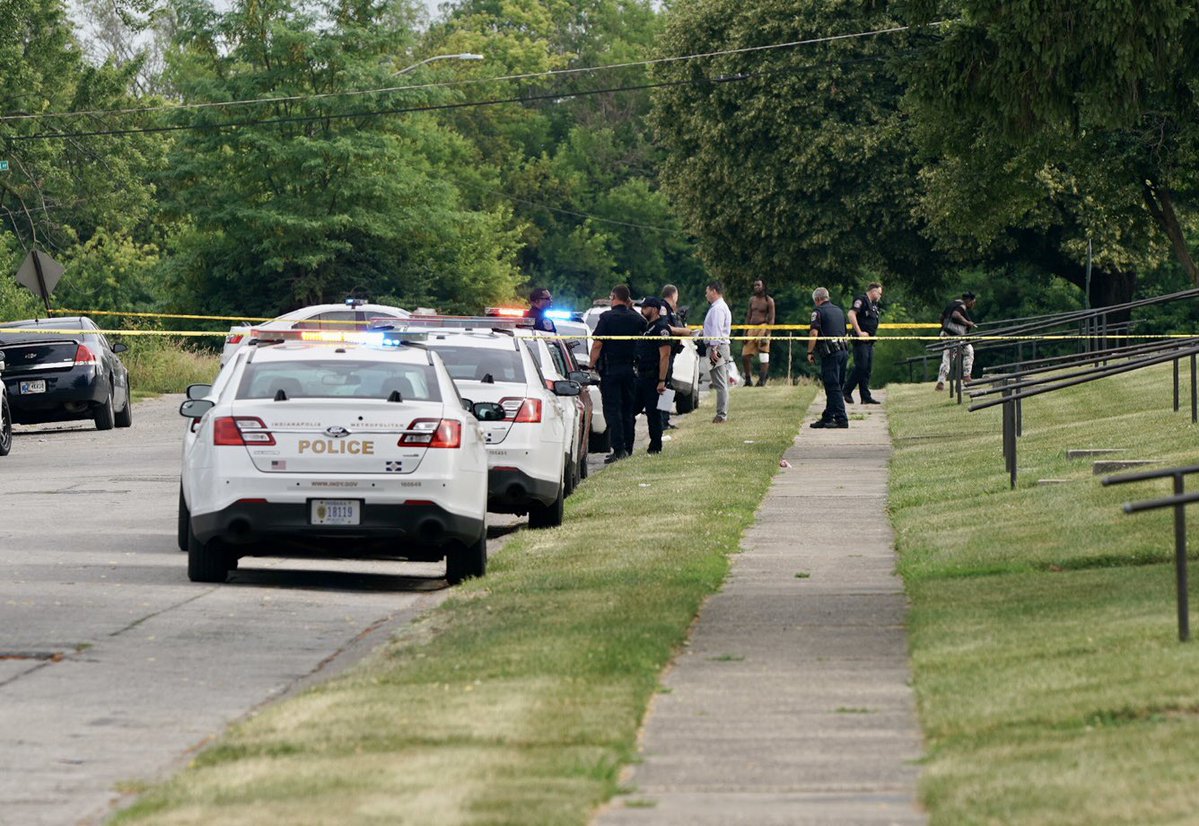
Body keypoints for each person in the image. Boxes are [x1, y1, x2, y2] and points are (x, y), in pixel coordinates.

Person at [589, 284, 646, 462]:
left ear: (614, 297)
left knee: (613, 411)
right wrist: (631, 309)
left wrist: (591, 365)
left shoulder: (606, 317)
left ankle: (619, 449)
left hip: (611, 371)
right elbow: (644, 324)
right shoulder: (635, 319)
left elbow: (598, 344)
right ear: (628, 299)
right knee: (628, 410)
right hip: (630, 370)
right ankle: (628, 447)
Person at [807, 287, 849, 429]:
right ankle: (827, 417)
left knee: (832, 386)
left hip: (830, 353)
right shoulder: (839, 310)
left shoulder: (818, 312)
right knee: (837, 385)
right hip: (843, 351)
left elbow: (814, 333)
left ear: (818, 299)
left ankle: (841, 419)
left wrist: (810, 352)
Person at [635, 297, 674, 454]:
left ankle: (655, 446)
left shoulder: (662, 329)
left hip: (654, 378)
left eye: (646, 307)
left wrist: (662, 380)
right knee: (633, 409)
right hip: (641, 376)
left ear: (655, 309)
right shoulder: (646, 328)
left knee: (654, 414)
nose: (642, 310)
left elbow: (665, 356)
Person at [844, 282, 883, 405]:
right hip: (860, 340)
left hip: (870, 341)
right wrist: (859, 332)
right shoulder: (861, 300)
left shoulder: (874, 304)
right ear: (873, 291)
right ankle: (846, 390)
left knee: (867, 368)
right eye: (879, 293)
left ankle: (865, 397)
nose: (880, 296)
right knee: (861, 366)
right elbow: (851, 314)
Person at [700, 281, 732, 423]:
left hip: (716, 348)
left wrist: (714, 348)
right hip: (720, 346)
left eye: (707, 291)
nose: (706, 294)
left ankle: (721, 414)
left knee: (719, 382)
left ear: (713, 291)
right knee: (722, 382)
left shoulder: (717, 309)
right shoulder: (719, 307)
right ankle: (722, 412)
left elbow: (717, 330)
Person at [659, 284, 690, 431]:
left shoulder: (670, 310)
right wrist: (686, 331)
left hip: (670, 352)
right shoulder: (664, 308)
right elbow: (666, 328)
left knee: (668, 386)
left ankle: (665, 418)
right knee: (665, 385)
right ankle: (662, 420)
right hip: (665, 353)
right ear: (673, 295)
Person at [935, 291, 978, 391]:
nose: (973, 305)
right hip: (956, 337)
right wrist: (967, 322)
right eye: (973, 302)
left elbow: (941, 317)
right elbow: (955, 315)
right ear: (968, 300)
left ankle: (941, 381)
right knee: (967, 352)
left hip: (947, 334)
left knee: (948, 357)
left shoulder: (952, 304)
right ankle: (966, 377)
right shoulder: (962, 306)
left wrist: (944, 328)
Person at [741, 279, 776, 387]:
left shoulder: (769, 300)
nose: (756, 287)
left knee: (763, 353)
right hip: (751, 327)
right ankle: (748, 379)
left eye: (758, 285)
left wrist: (767, 333)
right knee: (745, 355)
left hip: (763, 327)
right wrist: (745, 332)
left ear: (763, 286)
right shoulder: (752, 300)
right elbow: (748, 316)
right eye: (755, 285)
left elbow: (771, 318)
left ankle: (762, 380)